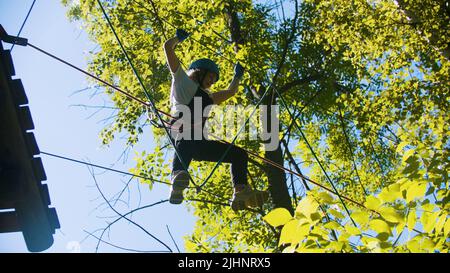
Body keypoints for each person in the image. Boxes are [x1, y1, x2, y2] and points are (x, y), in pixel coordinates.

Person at [163, 29, 268, 211]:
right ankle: (177, 179)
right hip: (182, 134)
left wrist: (237, 76)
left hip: (200, 144)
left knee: (239, 154)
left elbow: (230, 92)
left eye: (214, 79)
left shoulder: (209, 97)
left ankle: (240, 191)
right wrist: (177, 39)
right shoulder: (181, 79)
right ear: (199, 72)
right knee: (187, 135)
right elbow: (168, 49)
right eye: (210, 76)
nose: (212, 82)